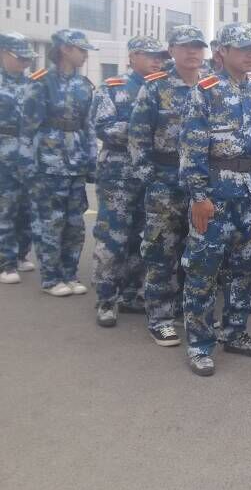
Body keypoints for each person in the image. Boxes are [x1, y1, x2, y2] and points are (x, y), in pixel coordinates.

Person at [179, 23, 251, 376]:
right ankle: (200, 344)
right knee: (203, 270)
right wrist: (198, 195)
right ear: (223, 51)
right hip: (214, 194)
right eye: (243, 48)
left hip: (247, 193)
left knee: (240, 270)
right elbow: (191, 148)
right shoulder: (205, 92)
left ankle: (235, 332)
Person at [128, 24, 208, 346]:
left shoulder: (211, 86)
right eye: (185, 46)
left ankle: (190, 312)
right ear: (172, 51)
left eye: (197, 46)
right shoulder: (155, 87)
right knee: (161, 251)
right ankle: (160, 317)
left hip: (201, 183)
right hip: (165, 178)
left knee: (198, 252)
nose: (192, 52)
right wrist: (151, 178)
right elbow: (137, 137)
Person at [90, 36, 168, 327]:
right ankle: (106, 298)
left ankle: (132, 293)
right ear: (133, 56)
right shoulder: (113, 87)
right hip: (118, 174)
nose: (157, 61)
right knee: (113, 236)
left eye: (160, 56)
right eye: (150, 55)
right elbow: (104, 127)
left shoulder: (163, 89)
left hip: (150, 173)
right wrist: (144, 130)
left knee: (142, 236)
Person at [20, 29, 97, 297]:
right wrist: (27, 166)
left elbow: (88, 127)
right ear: (65, 49)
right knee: (50, 222)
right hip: (48, 163)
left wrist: (92, 162)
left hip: (76, 163)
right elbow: (27, 128)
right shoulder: (41, 82)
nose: (85, 55)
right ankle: (51, 278)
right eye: (81, 50)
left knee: (75, 223)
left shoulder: (84, 85)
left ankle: (70, 274)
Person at [0, 32, 37, 284]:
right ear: (4, 53)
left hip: (29, 155)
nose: (25, 63)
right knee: (6, 209)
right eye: (20, 58)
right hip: (3, 156)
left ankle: (22, 254)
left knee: (27, 209)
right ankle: (6, 262)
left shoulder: (34, 84)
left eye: (28, 59)